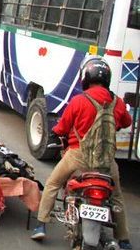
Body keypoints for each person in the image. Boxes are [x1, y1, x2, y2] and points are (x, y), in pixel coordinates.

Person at [31, 58, 132, 250]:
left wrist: (56, 134)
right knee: (117, 196)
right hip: (106, 162)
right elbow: (126, 122)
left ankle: (40, 225)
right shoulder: (116, 102)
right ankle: (124, 239)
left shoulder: (79, 101)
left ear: (85, 77)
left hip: (78, 157)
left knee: (52, 183)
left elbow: (61, 128)